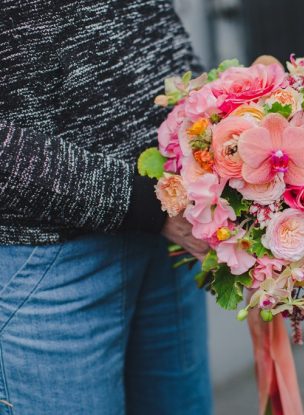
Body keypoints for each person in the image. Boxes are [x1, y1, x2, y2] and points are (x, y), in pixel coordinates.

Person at [0, 1, 278, 413]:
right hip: (52, 265)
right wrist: (143, 203)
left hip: (170, 236)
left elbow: (145, 21)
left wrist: (222, 133)